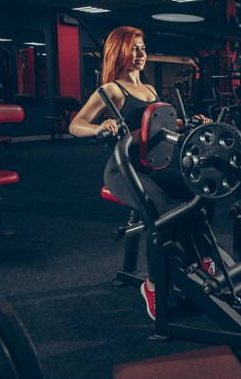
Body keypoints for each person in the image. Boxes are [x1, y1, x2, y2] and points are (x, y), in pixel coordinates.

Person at [69, 26, 213, 321]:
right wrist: (99, 128)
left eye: (142, 47)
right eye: (133, 48)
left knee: (198, 196)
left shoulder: (149, 89)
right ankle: (154, 284)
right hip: (123, 168)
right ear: (119, 51)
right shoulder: (111, 90)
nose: (140, 53)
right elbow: (75, 124)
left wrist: (189, 122)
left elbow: (158, 126)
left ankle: (201, 261)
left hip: (154, 164)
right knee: (163, 214)